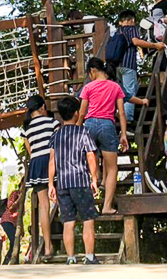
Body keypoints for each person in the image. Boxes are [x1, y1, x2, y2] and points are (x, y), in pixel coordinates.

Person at [49, 96, 99, 265]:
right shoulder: (82, 132)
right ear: (76, 113)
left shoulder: (56, 136)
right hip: (80, 181)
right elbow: (90, 155)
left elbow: (52, 161)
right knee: (88, 219)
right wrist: (94, 178)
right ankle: (90, 257)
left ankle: (70, 258)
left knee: (68, 222)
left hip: (62, 184)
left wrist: (51, 184)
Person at [78, 58, 129, 214]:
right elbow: (121, 112)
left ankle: (88, 205)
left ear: (92, 71)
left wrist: (76, 130)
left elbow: (81, 112)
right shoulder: (115, 87)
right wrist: (124, 134)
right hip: (107, 125)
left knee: (88, 166)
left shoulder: (88, 87)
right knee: (113, 168)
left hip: (90, 124)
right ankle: (106, 206)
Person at [22, 94, 58, 261]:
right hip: (52, 161)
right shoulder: (52, 122)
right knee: (61, 200)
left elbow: (29, 149)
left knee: (43, 206)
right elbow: (57, 144)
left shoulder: (26, 128)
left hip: (36, 163)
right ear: (43, 107)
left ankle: (48, 247)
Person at [115, 9, 165, 124]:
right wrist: (154, 45)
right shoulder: (131, 29)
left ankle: (118, 111)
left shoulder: (117, 31)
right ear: (132, 20)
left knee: (122, 91)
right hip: (128, 65)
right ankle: (127, 120)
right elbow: (136, 41)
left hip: (116, 66)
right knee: (129, 92)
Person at [0, 187, 21, 264]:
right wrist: (19, 199)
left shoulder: (22, 197)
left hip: (14, 223)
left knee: (15, 242)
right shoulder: (15, 194)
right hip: (7, 221)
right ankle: (7, 261)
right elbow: (10, 207)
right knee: (14, 241)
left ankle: (14, 262)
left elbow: (20, 215)